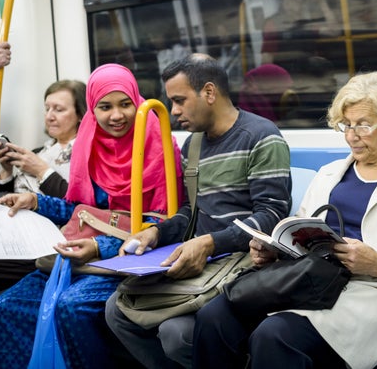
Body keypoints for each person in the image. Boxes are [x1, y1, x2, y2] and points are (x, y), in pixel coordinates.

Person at [193, 71, 377, 369]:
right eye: (346, 125)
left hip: (376, 293)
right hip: (310, 280)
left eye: (363, 125)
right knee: (214, 317)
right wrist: (273, 250)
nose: (351, 136)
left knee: (275, 335)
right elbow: (299, 231)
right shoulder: (329, 174)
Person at [0, 63, 184, 369]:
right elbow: (80, 209)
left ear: (136, 102)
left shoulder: (158, 144)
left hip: (129, 258)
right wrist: (35, 201)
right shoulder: (90, 145)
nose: (116, 115)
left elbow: (167, 224)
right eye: (105, 107)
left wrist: (99, 247)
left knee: (70, 306)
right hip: (80, 254)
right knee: (7, 305)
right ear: (92, 108)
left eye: (125, 104)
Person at [105, 54, 292, 369]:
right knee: (117, 309)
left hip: (245, 262)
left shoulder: (262, 137)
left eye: (179, 100)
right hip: (201, 260)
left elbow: (271, 215)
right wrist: (157, 232)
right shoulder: (192, 145)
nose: (174, 111)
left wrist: (210, 243)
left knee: (176, 333)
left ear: (208, 93)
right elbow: (192, 211)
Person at [0, 79, 87, 301]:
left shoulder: (86, 154)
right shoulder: (38, 152)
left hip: (44, 236)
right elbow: (6, 195)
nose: (50, 115)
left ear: (80, 114)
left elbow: (80, 205)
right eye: (47, 108)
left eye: (59, 109)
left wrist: (43, 171)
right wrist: (6, 170)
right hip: (12, 225)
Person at [260, 0, 339, 73]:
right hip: (289, 78)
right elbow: (267, 58)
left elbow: (334, 31)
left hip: (311, 76)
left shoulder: (306, 23)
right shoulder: (274, 23)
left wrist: (322, 3)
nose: (300, 0)